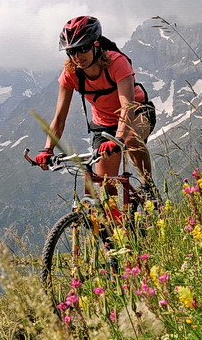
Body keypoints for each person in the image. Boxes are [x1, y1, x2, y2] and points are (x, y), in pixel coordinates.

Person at [35, 15, 156, 201]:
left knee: (131, 138)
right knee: (106, 189)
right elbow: (59, 118)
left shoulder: (117, 63)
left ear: (96, 45)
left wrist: (120, 138)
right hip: (104, 125)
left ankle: (148, 187)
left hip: (137, 112)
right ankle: (119, 227)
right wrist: (47, 149)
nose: (77, 57)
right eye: (71, 51)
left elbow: (128, 106)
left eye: (83, 48)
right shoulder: (70, 73)